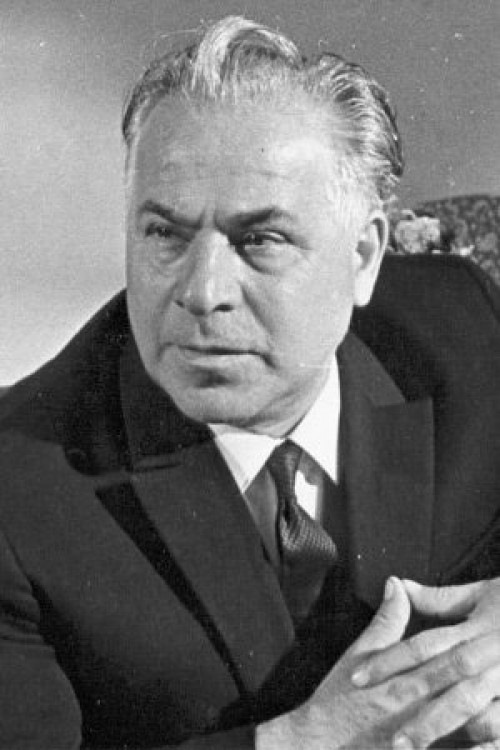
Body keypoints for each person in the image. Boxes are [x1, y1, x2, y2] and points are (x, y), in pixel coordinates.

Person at [1, 15, 500, 749]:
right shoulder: (17, 490)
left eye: (260, 239)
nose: (202, 292)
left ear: (364, 257)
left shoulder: (467, 328)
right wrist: (305, 743)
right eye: (165, 233)